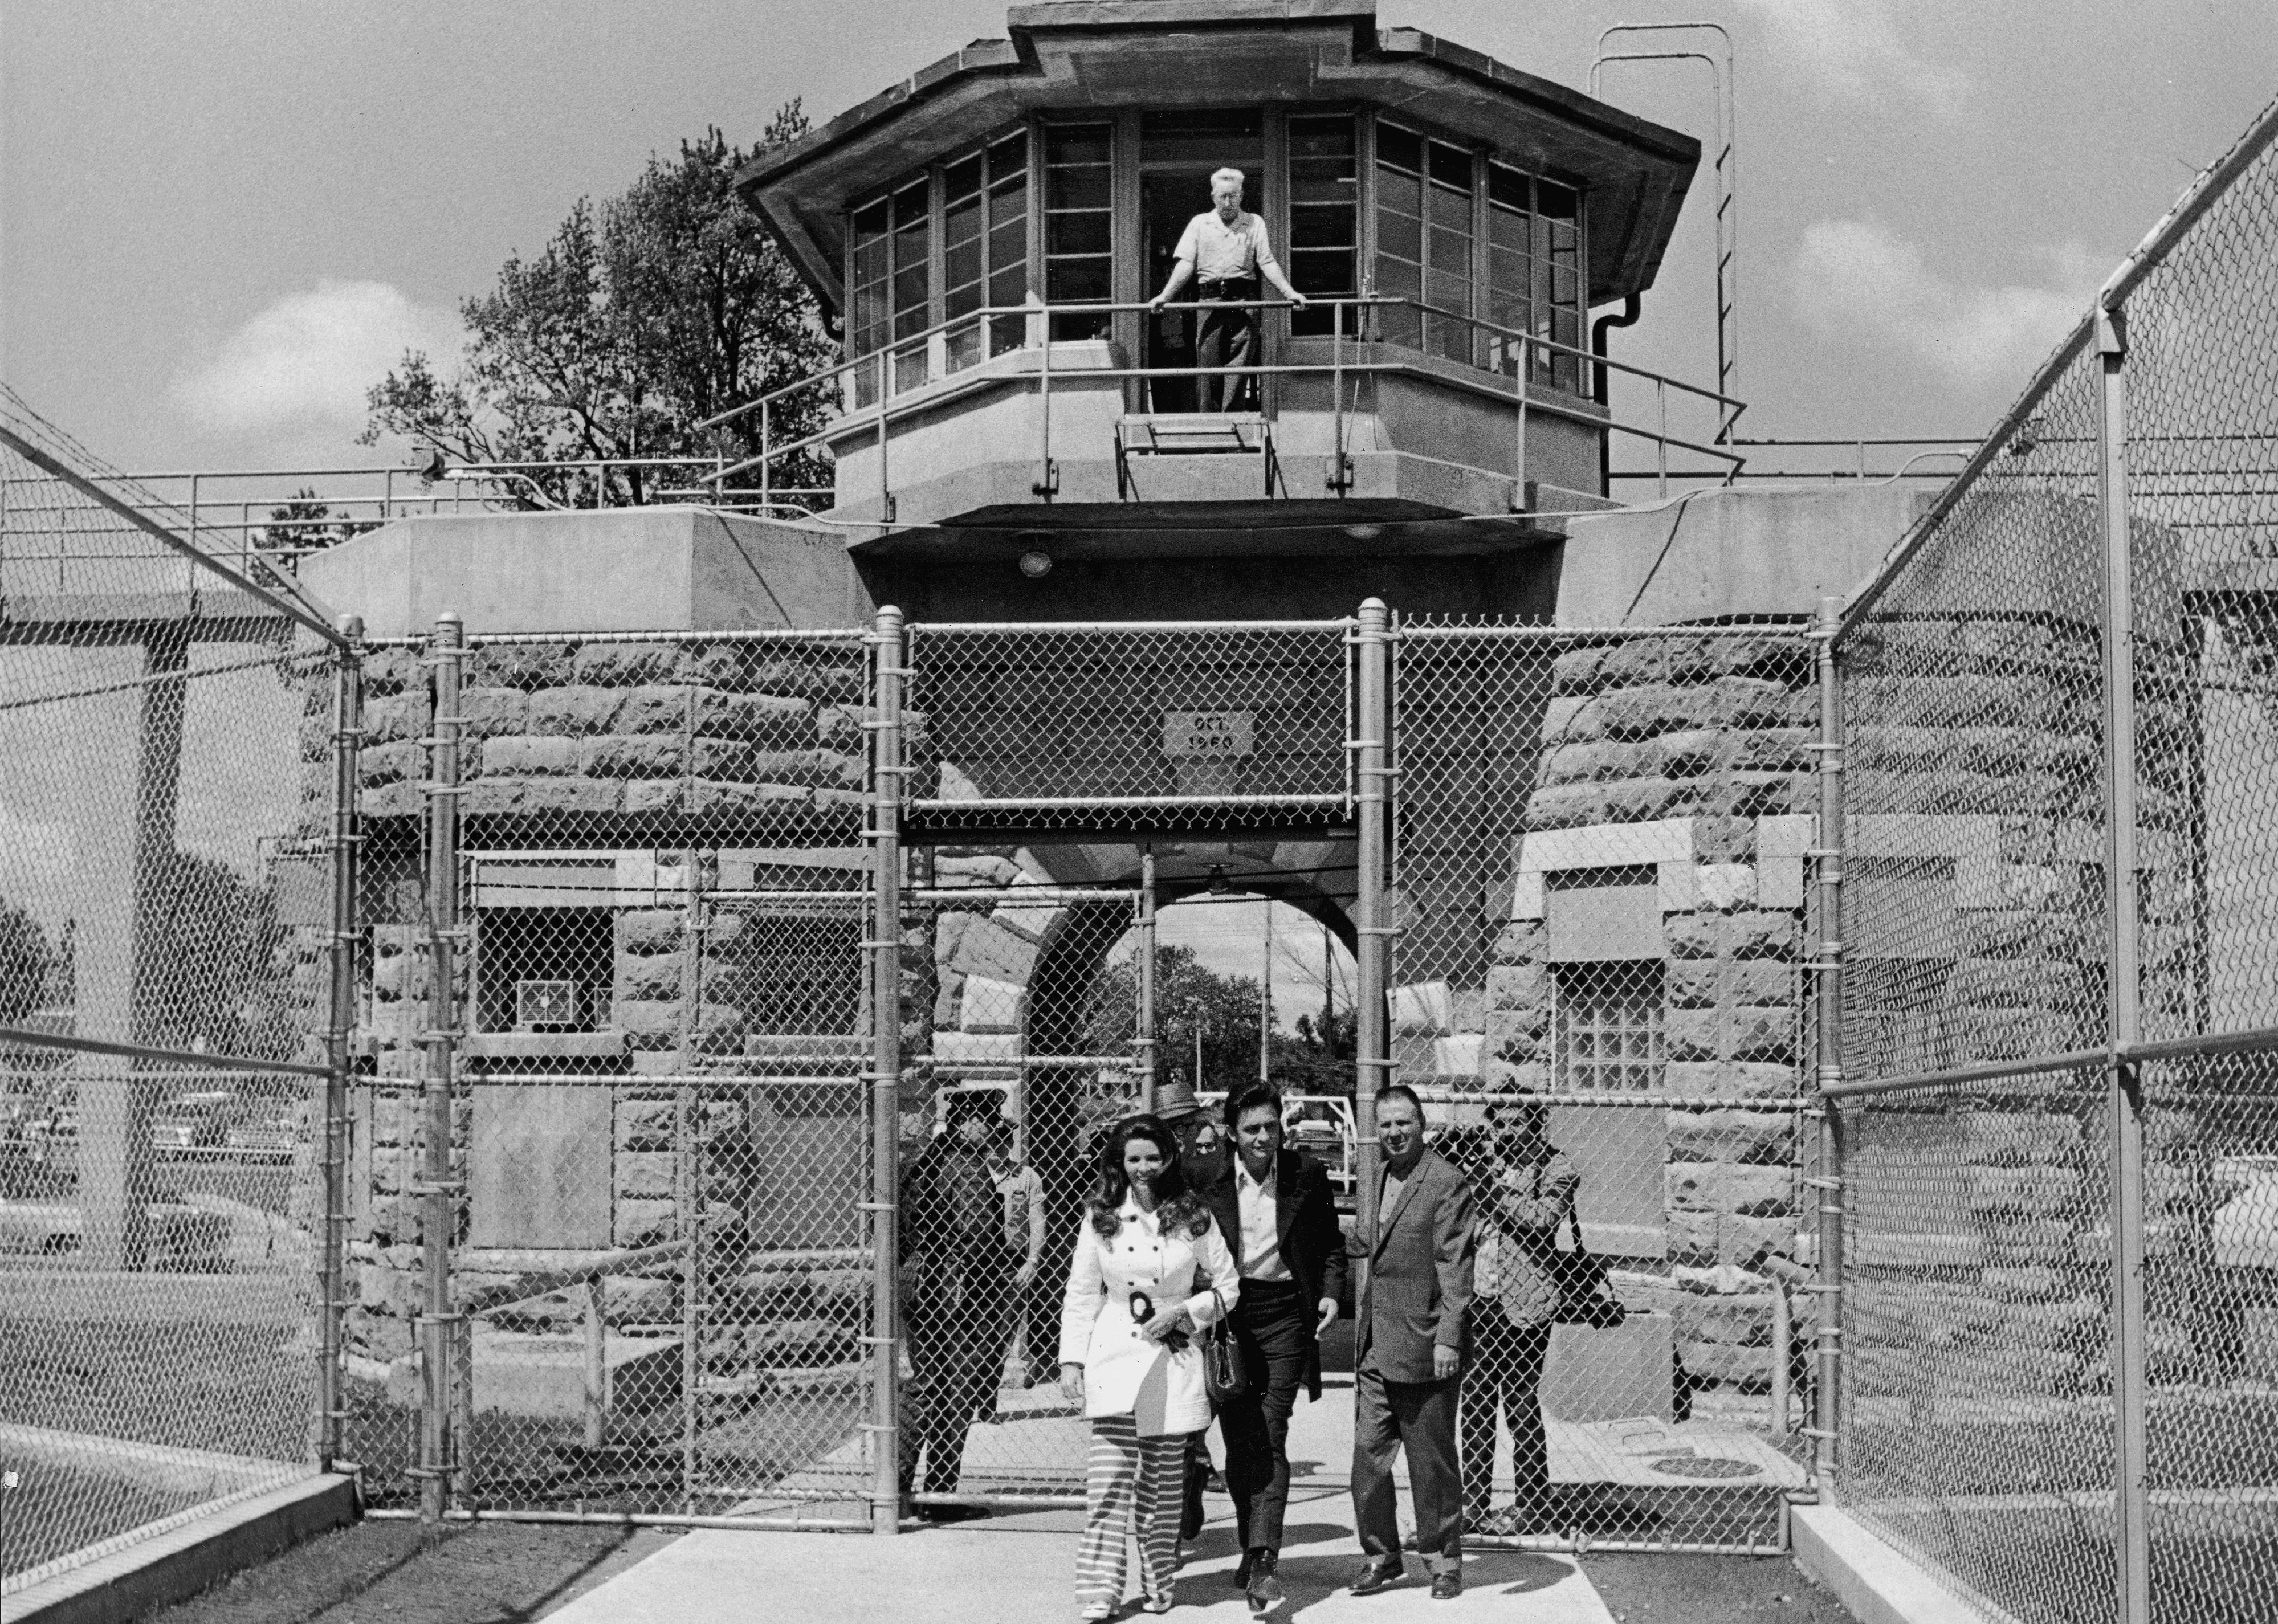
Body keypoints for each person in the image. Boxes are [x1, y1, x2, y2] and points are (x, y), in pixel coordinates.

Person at [1059, 1114, 1240, 1621]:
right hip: (1114, 1359)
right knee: (1108, 1483)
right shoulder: (1100, 1216)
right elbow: (1080, 1293)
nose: (1143, 1168)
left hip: (1174, 1360)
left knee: (1161, 1491)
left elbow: (1228, 1286)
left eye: (1152, 1158)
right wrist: (1072, 1360)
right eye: (1133, 1158)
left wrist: (1186, 1311)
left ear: (1168, 1160)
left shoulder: (1193, 1215)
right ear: (1119, 1162)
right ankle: (1098, 1593)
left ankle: (1160, 1583)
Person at [1196, 1082, 1349, 1618]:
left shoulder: (1306, 1175)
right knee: (1241, 1441)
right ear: (1232, 1135)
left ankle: (1263, 1560)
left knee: (1271, 1430)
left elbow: (1332, 1246)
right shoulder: (1207, 1180)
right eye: (1251, 1129)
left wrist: (1331, 1295)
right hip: (1229, 1317)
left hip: (1287, 1313)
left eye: (1270, 1126)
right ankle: (1250, 1544)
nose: (1263, 1138)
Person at [1348, 1084, 1476, 1601]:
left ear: (1421, 1124)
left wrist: (1448, 1337)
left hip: (1427, 1347)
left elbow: (1455, 1264)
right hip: (1376, 1346)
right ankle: (1382, 1555)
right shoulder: (1377, 1176)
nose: (1394, 1133)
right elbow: (1368, 1242)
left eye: (1403, 1123)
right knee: (1367, 1458)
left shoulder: (1446, 1181)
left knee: (1431, 1463)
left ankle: (1443, 1561)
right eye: (1385, 1125)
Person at [898, 1091, 1020, 1518]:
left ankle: (894, 1491)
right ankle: (940, 1496)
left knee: (926, 1386)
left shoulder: (918, 1162)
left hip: (917, 1283)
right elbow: (980, 1234)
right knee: (956, 1391)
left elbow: (898, 1230)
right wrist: (1001, 1271)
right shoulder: (966, 1166)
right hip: (959, 1291)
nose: (990, 1131)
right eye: (986, 1121)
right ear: (967, 1120)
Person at [1460, 1095, 1578, 1535]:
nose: (1507, 1133)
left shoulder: (1555, 1168)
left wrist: (1494, 1193)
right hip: (1480, 1298)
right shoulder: (1484, 1165)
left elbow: (1543, 1218)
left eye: (1517, 1124)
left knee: (1520, 1403)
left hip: (1526, 1304)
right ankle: (1473, 1502)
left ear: (1536, 1123)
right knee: (1474, 1404)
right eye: (1500, 1125)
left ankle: (1532, 1506)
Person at [1148, 167, 1308, 412]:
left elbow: (1266, 261)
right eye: (1222, 196)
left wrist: (1290, 293)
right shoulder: (1199, 224)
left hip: (1244, 300)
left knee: (1239, 366)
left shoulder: (1255, 223)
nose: (1228, 202)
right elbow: (1186, 264)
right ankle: (1211, 430)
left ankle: (1235, 426)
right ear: (1213, 196)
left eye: (1233, 196)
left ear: (1241, 196)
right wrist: (1165, 296)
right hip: (1209, 301)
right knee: (1209, 365)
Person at [1154, 1075, 1226, 1541]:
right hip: (1151, 1300)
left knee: (1190, 1404)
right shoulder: (1144, 1169)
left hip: (1194, 1299)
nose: (1183, 1135)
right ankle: (1190, 1469)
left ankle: (1190, 1477)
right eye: (1174, 1127)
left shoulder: (1207, 1167)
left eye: (1187, 1124)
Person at [988, 1121, 1050, 1386]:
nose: (998, 1148)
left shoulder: (1026, 1177)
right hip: (974, 1261)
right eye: (993, 1141)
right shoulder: (971, 1172)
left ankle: (987, 1398)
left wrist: (1032, 1261)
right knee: (971, 1333)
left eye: (1004, 1141)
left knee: (1004, 1331)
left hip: (1012, 1261)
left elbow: (1037, 1221)